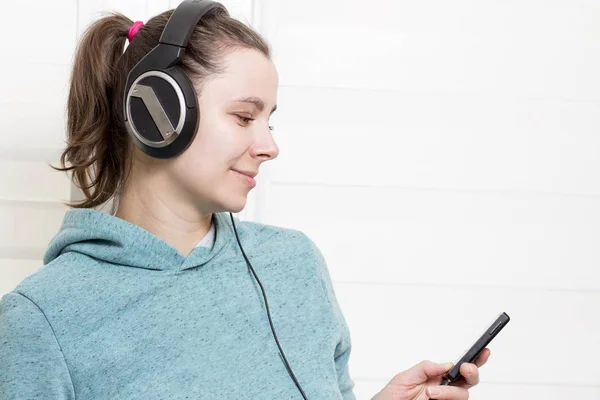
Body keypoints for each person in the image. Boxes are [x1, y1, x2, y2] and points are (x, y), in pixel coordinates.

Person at [0, 2, 489, 399]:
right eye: (243, 117)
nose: (269, 146)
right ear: (157, 112)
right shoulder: (41, 319)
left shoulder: (293, 263)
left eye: (269, 121)